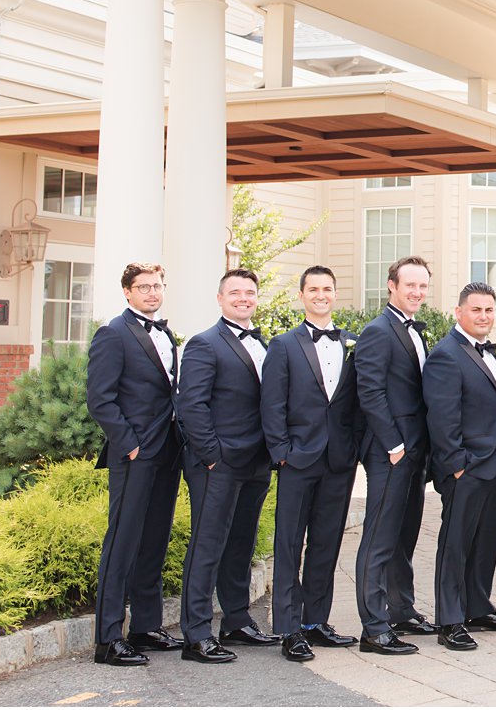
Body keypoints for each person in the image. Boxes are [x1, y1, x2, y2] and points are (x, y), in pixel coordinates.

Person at [260, 266, 363, 662]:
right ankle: (288, 628)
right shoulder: (283, 345)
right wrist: (282, 452)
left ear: (335, 294)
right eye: (314, 289)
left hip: (338, 460)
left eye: (327, 289)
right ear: (302, 295)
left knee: (326, 542)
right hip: (298, 459)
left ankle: (314, 621)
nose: (321, 295)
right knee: (289, 544)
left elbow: (353, 403)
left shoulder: (350, 342)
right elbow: (272, 404)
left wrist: (352, 449)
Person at [176, 268, 279, 664]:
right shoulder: (204, 344)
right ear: (220, 299)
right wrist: (213, 456)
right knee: (208, 545)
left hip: (255, 461)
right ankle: (196, 634)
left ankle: (236, 620)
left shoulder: (264, 344)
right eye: (234, 292)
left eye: (249, 292)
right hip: (217, 463)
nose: (243, 298)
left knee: (241, 543)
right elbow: (192, 405)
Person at [86, 261, 184, 666]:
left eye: (158, 286)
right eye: (144, 287)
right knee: (122, 543)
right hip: (136, 455)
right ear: (127, 292)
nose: (152, 293)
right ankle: (108, 640)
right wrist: (130, 447)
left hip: (168, 452)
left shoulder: (166, 333)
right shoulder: (113, 334)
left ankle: (145, 627)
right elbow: (100, 399)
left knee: (154, 541)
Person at [423, 282, 496, 651]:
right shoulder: (446, 355)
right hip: (466, 469)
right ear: (459, 312)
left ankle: (478, 607)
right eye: (476, 310)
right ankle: (450, 620)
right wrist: (456, 467)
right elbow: (442, 417)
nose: (483, 316)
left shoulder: (491, 354)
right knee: (455, 545)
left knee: (487, 542)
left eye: (488, 310)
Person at [352, 256, 437, 656]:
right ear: (391, 285)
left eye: (423, 286)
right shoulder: (377, 331)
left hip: (415, 451)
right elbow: (369, 392)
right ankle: (374, 626)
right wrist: (394, 445)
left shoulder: (415, 331)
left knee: (405, 535)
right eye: (410, 285)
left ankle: (401, 609)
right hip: (391, 452)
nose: (417, 293)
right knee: (379, 539)